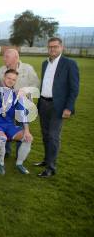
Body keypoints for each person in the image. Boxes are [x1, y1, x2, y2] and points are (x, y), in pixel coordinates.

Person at [36, 37, 79, 177]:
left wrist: (69, 107)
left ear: (61, 47)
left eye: (55, 46)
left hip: (58, 106)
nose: (52, 49)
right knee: (45, 135)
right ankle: (46, 160)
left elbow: (74, 88)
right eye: (50, 47)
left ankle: (51, 168)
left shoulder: (69, 64)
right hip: (43, 103)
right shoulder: (45, 63)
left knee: (53, 136)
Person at [0, 48, 40, 157]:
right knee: (6, 126)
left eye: (7, 56)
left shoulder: (28, 69)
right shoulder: (1, 70)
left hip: (23, 106)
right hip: (7, 107)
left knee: (23, 129)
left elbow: (36, 85)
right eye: (4, 56)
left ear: (16, 57)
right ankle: (5, 152)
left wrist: (25, 91)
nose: (3, 58)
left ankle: (19, 154)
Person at [0, 69, 33, 174]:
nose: (11, 81)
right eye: (8, 78)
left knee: (27, 138)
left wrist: (27, 131)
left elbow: (23, 114)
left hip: (9, 125)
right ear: (4, 78)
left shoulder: (17, 95)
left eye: (13, 79)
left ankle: (19, 164)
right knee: (1, 139)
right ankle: (0, 164)